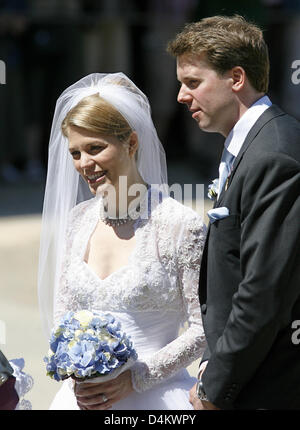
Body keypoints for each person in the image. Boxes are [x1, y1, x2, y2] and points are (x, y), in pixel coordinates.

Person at [38, 72, 207, 410]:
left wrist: (135, 378)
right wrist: (79, 370)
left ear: (131, 143)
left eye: (95, 148)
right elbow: (63, 314)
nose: (84, 164)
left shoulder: (180, 225)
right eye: (75, 153)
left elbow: (203, 329)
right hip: (80, 400)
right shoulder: (76, 222)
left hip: (156, 399)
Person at [167, 15, 300, 410]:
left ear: (236, 78)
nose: (180, 96)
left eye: (193, 82)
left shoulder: (274, 155)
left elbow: (262, 291)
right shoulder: (249, 145)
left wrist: (216, 387)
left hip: (270, 387)